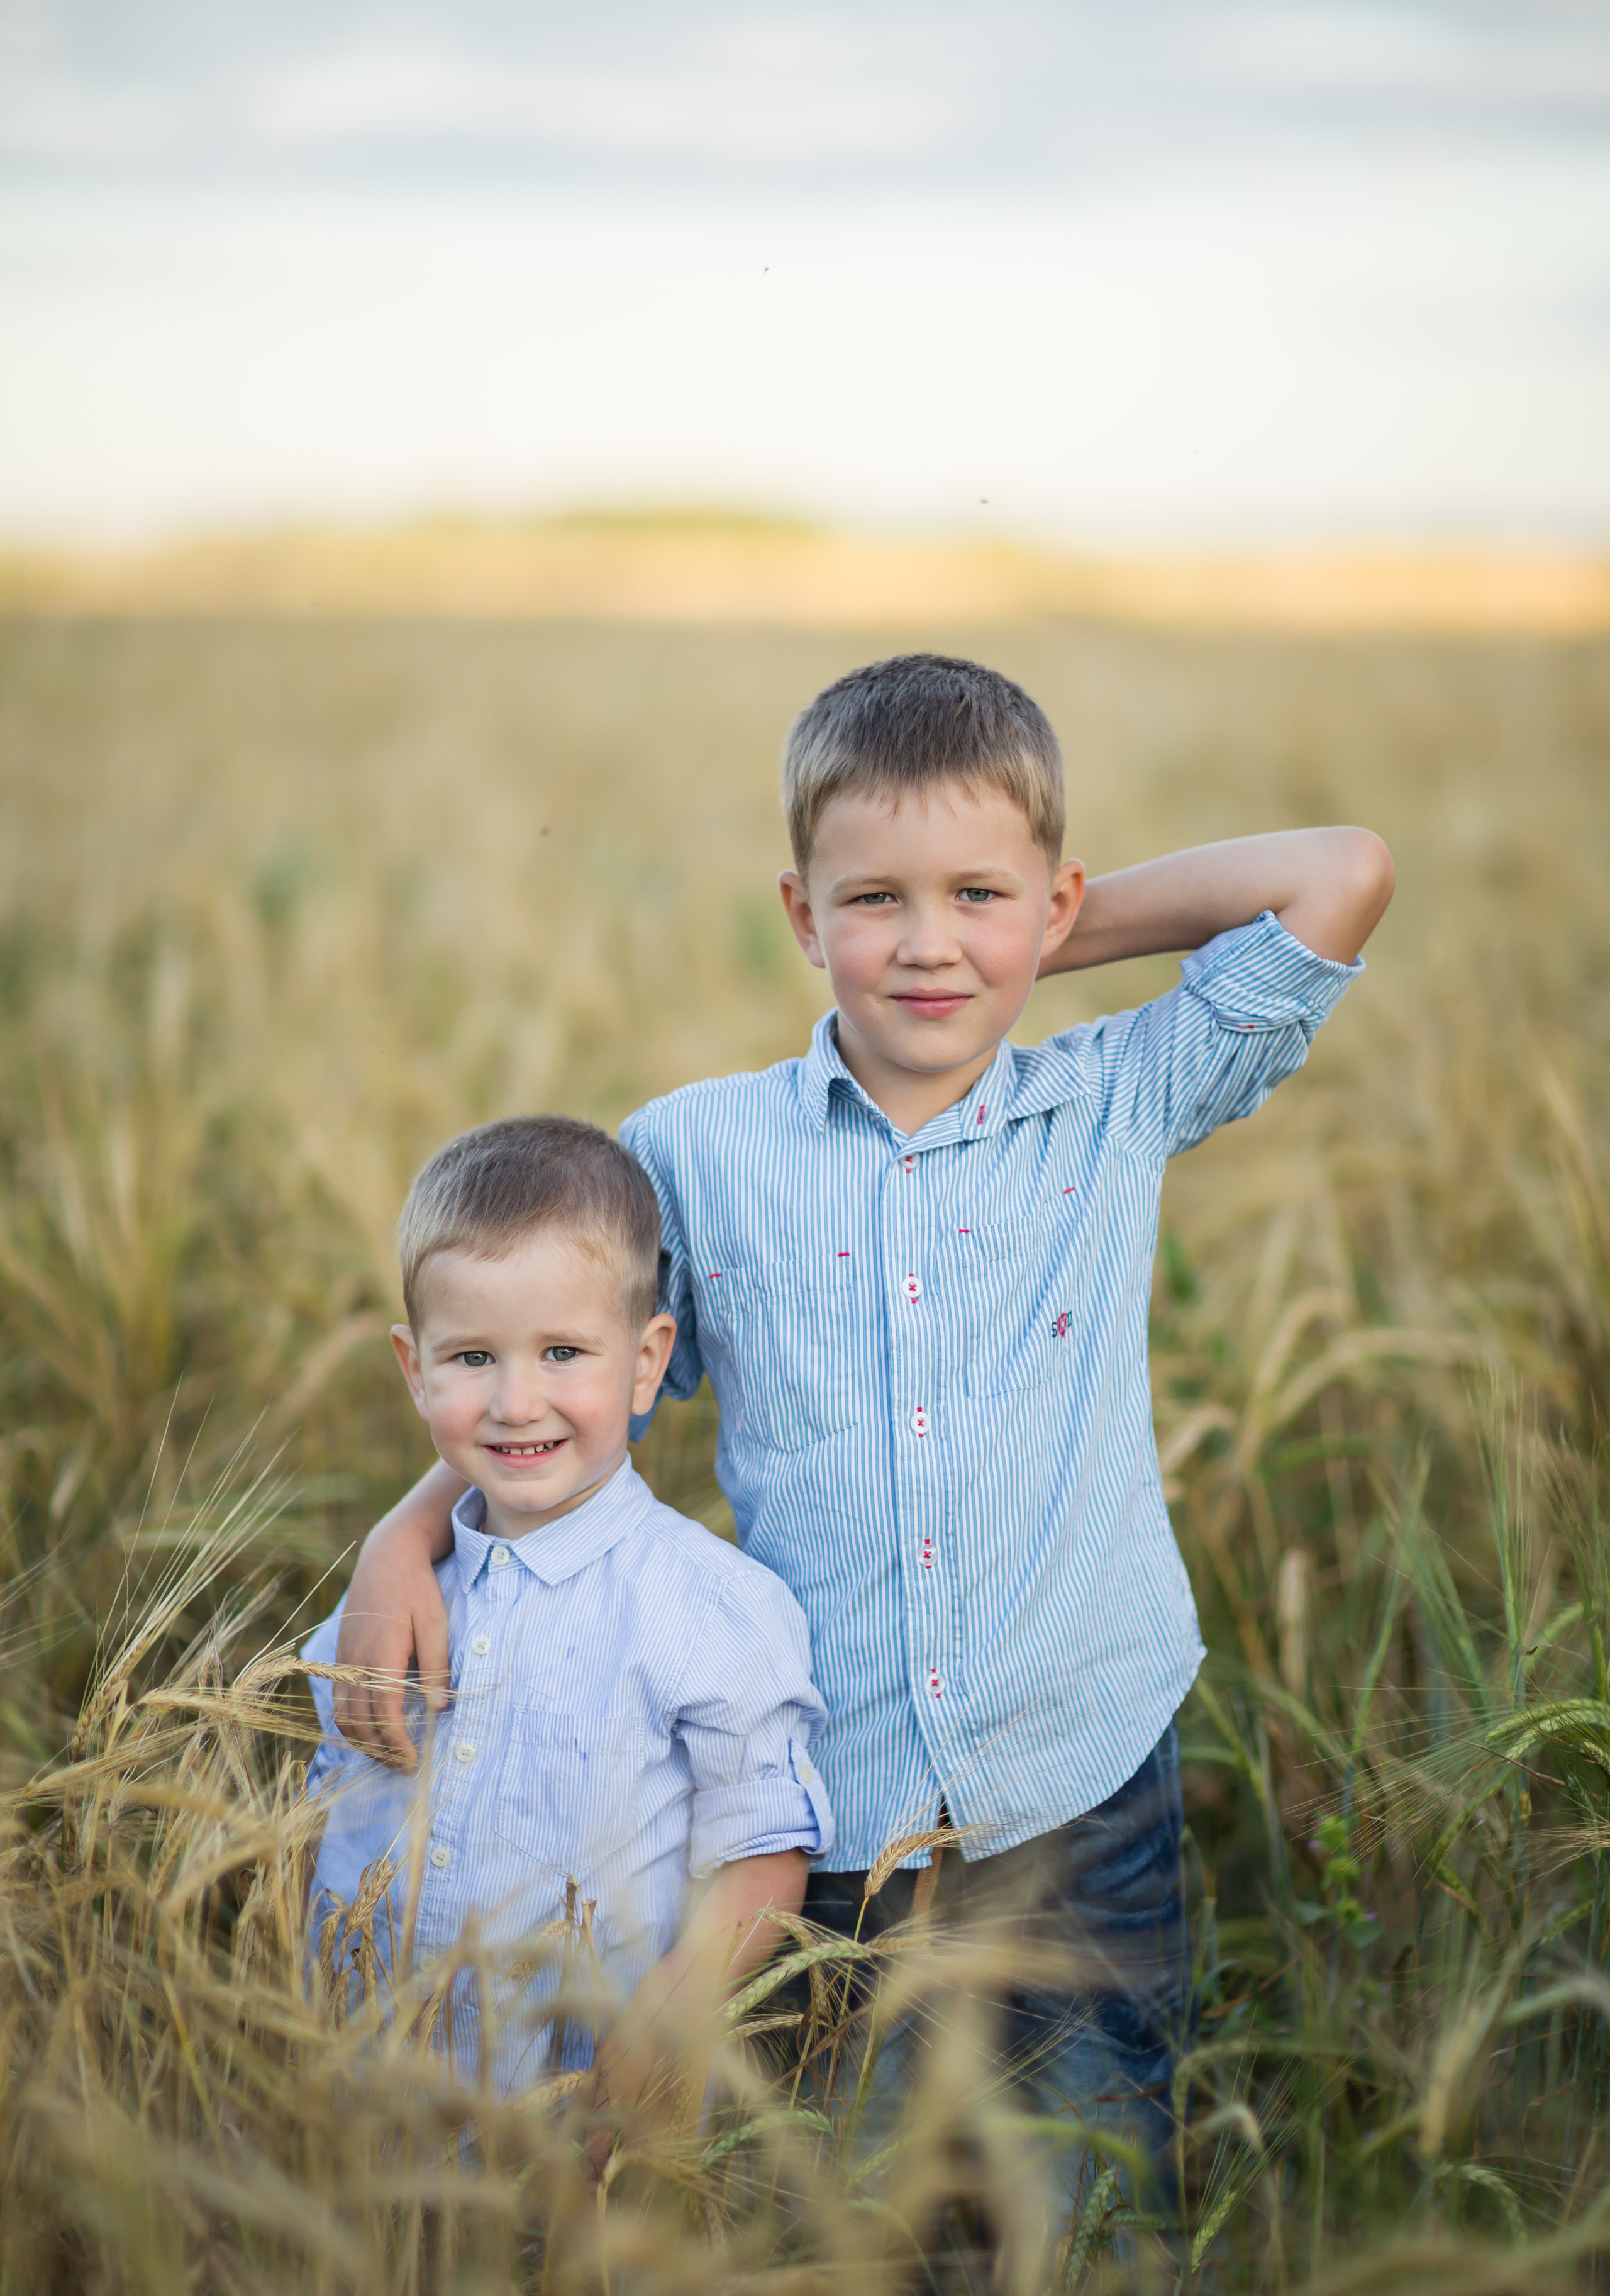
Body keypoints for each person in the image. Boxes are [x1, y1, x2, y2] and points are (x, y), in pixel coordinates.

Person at [326, 652, 1393, 2213]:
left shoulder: (1116, 1099)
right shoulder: (694, 1150)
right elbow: (568, 1375)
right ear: (799, 916)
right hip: (828, 1818)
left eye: (974, 895)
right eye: (872, 902)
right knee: (855, 2246)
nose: (924, 945)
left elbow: (1339, 873)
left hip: (1078, 1791)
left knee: (1090, 2239)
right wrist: (406, 1525)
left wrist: (1030, 936)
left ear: (1052, 905)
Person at [302, 1113, 833, 2114]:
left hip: (583, 2131)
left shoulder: (709, 1610)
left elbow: (762, 1853)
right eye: (472, 1359)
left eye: (561, 1353)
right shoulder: (394, 1602)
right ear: (414, 1370)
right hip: (363, 2129)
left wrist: (669, 2032)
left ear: (645, 1361)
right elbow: (325, 1816)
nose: (515, 1401)